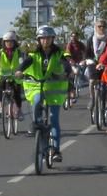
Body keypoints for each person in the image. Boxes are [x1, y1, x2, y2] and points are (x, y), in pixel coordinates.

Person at [17, 26, 74, 161]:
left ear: (52, 39)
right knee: (36, 101)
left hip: (54, 88)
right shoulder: (34, 53)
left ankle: (56, 150)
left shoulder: (58, 53)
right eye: (42, 38)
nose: (45, 41)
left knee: (54, 119)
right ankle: (36, 123)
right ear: (38, 40)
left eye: (48, 38)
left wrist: (67, 72)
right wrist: (19, 70)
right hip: (37, 85)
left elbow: (65, 63)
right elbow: (27, 62)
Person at [0, 31, 25, 121]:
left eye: (11, 41)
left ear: (14, 42)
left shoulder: (18, 52)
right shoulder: (1, 52)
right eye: (7, 42)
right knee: (1, 89)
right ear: (4, 42)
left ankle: (19, 110)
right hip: (3, 75)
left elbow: (21, 61)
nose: (9, 43)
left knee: (17, 93)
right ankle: (1, 108)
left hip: (15, 75)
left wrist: (21, 71)